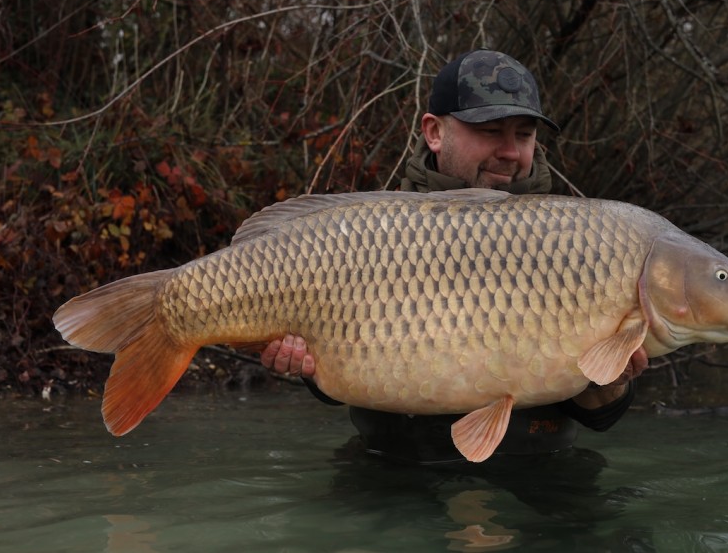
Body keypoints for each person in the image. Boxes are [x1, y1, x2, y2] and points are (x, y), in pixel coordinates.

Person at [261, 49, 648, 464]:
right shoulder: (370, 233)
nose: (510, 152)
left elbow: (601, 417)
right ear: (434, 132)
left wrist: (609, 381)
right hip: (394, 475)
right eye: (491, 131)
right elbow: (340, 375)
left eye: (523, 134)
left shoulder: (578, 239)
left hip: (539, 477)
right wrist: (303, 366)